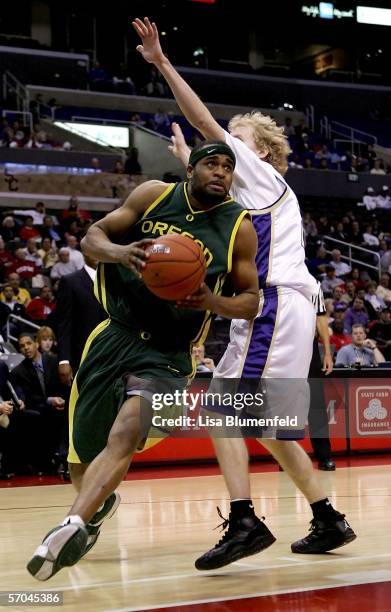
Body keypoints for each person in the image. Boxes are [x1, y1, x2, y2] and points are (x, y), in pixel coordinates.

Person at [132, 17, 356, 569]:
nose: (223, 151)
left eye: (235, 141)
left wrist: (162, 63)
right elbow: (208, 169)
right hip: (276, 309)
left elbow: (206, 122)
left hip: (273, 306)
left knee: (222, 409)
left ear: (259, 153)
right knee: (266, 429)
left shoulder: (264, 176)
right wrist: (187, 157)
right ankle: (328, 518)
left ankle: (244, 521)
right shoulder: (250, 194)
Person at [26, 140, 260, 581]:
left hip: (169, 354)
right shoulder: (153, 194)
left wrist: (211, 299)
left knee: (127, 431)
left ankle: (70, 524)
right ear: (190, 169)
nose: (221, 172)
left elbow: (250, 302)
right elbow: (93, 237)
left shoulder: (238, 227)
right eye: (212, 163)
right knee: (81, 460)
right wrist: (121, 254)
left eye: (228, 167)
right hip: (114, 336)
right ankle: (95, 509)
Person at [55, 255, 106, 386]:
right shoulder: (70, 281)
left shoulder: (114, 280)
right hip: (82, 356)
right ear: (84, 252)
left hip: (111, 354)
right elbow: (64, 324)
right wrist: (64, 360)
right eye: (92, 249)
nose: (96, 253)